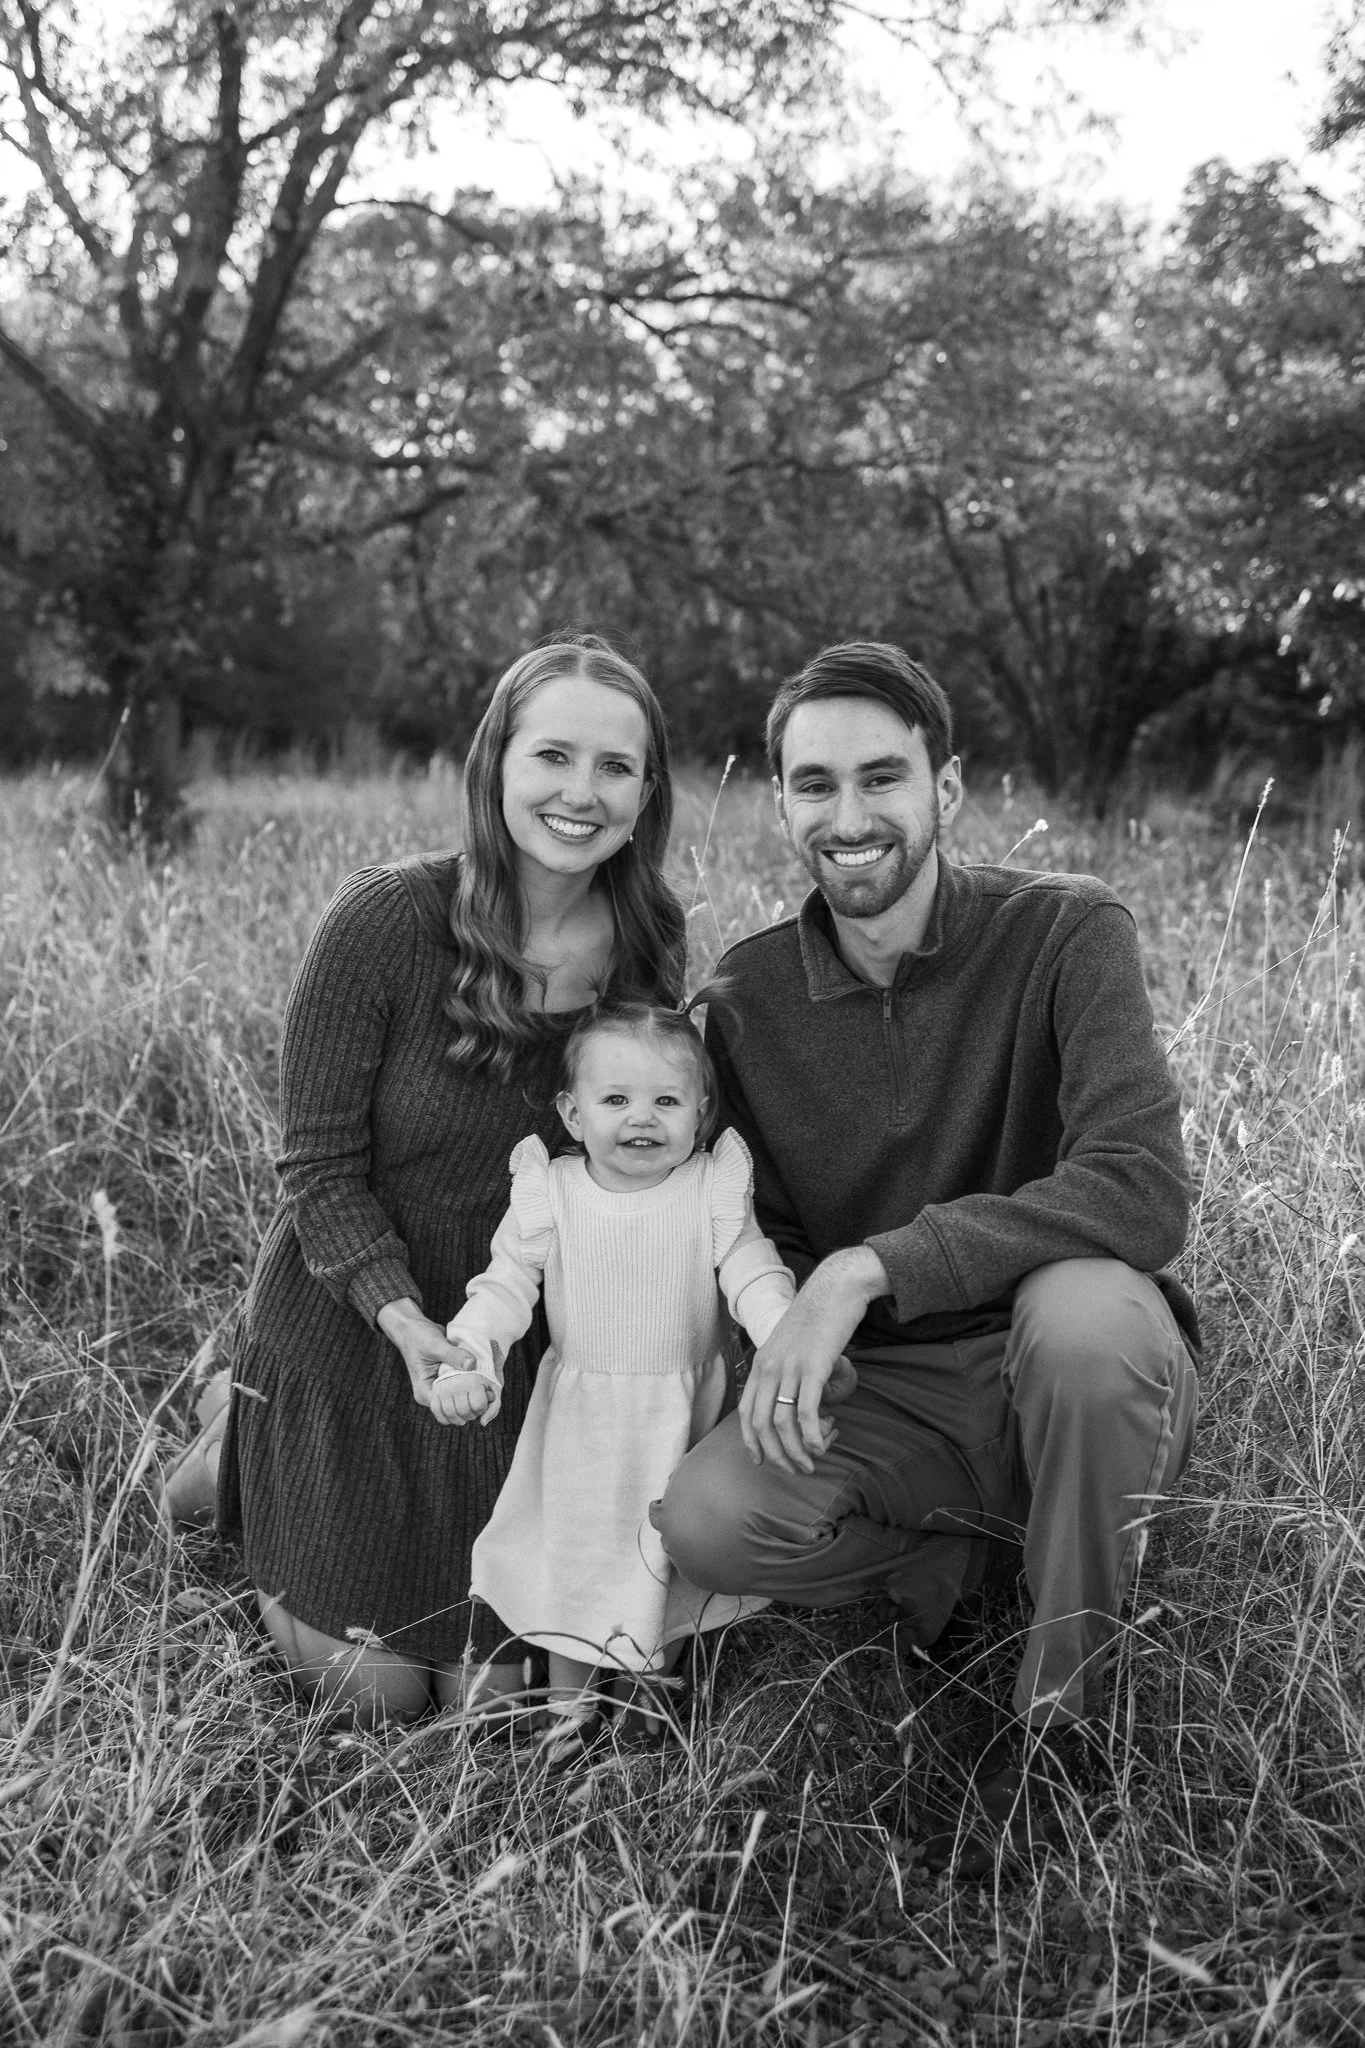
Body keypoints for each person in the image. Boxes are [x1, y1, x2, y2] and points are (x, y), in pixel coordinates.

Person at [653, 641, 1200, 1875]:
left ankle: (1062, 1719)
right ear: (780, 801)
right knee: (708, 1519)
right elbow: (764, 1231)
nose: (848, 817)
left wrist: (870, 1268)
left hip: (1064, 1355)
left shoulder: (1066, 930)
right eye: (814, 784)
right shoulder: (743, 1000)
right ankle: (994, 1555)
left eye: (882, 777)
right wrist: (792, 1317)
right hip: (896, 1388)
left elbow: (1140, 1186)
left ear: (945, 788)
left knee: (1085, 1322)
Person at [169, 636, 688, 1726]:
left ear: (646, 795)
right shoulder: (386, 921)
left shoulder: (649, 942)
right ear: (495, 763)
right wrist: (403, 1318)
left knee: (490, 1710)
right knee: (371, 1693)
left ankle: (237, 1434)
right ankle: (236, 1444)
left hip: (507, 1336)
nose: (580, 793)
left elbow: (632, 1155)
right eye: (553, 755)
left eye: (615, 767)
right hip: (360, 1320)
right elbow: (317, 1169)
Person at [429, 1001, 798, 1761]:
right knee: (574, 1563)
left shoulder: (709, 1189)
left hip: (679, 1417)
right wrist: (470, 1357)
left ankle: (643, 1724)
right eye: (616, 1099)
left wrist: (787, 1337)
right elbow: (503, 1287)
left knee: (662, 1566)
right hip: (581, 1422)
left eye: (666, 1100)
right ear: (573, 1113)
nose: (642, 1119)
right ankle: (567, 1718)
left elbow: (753, 1272)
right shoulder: (552, 1192)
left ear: (701, 1112)